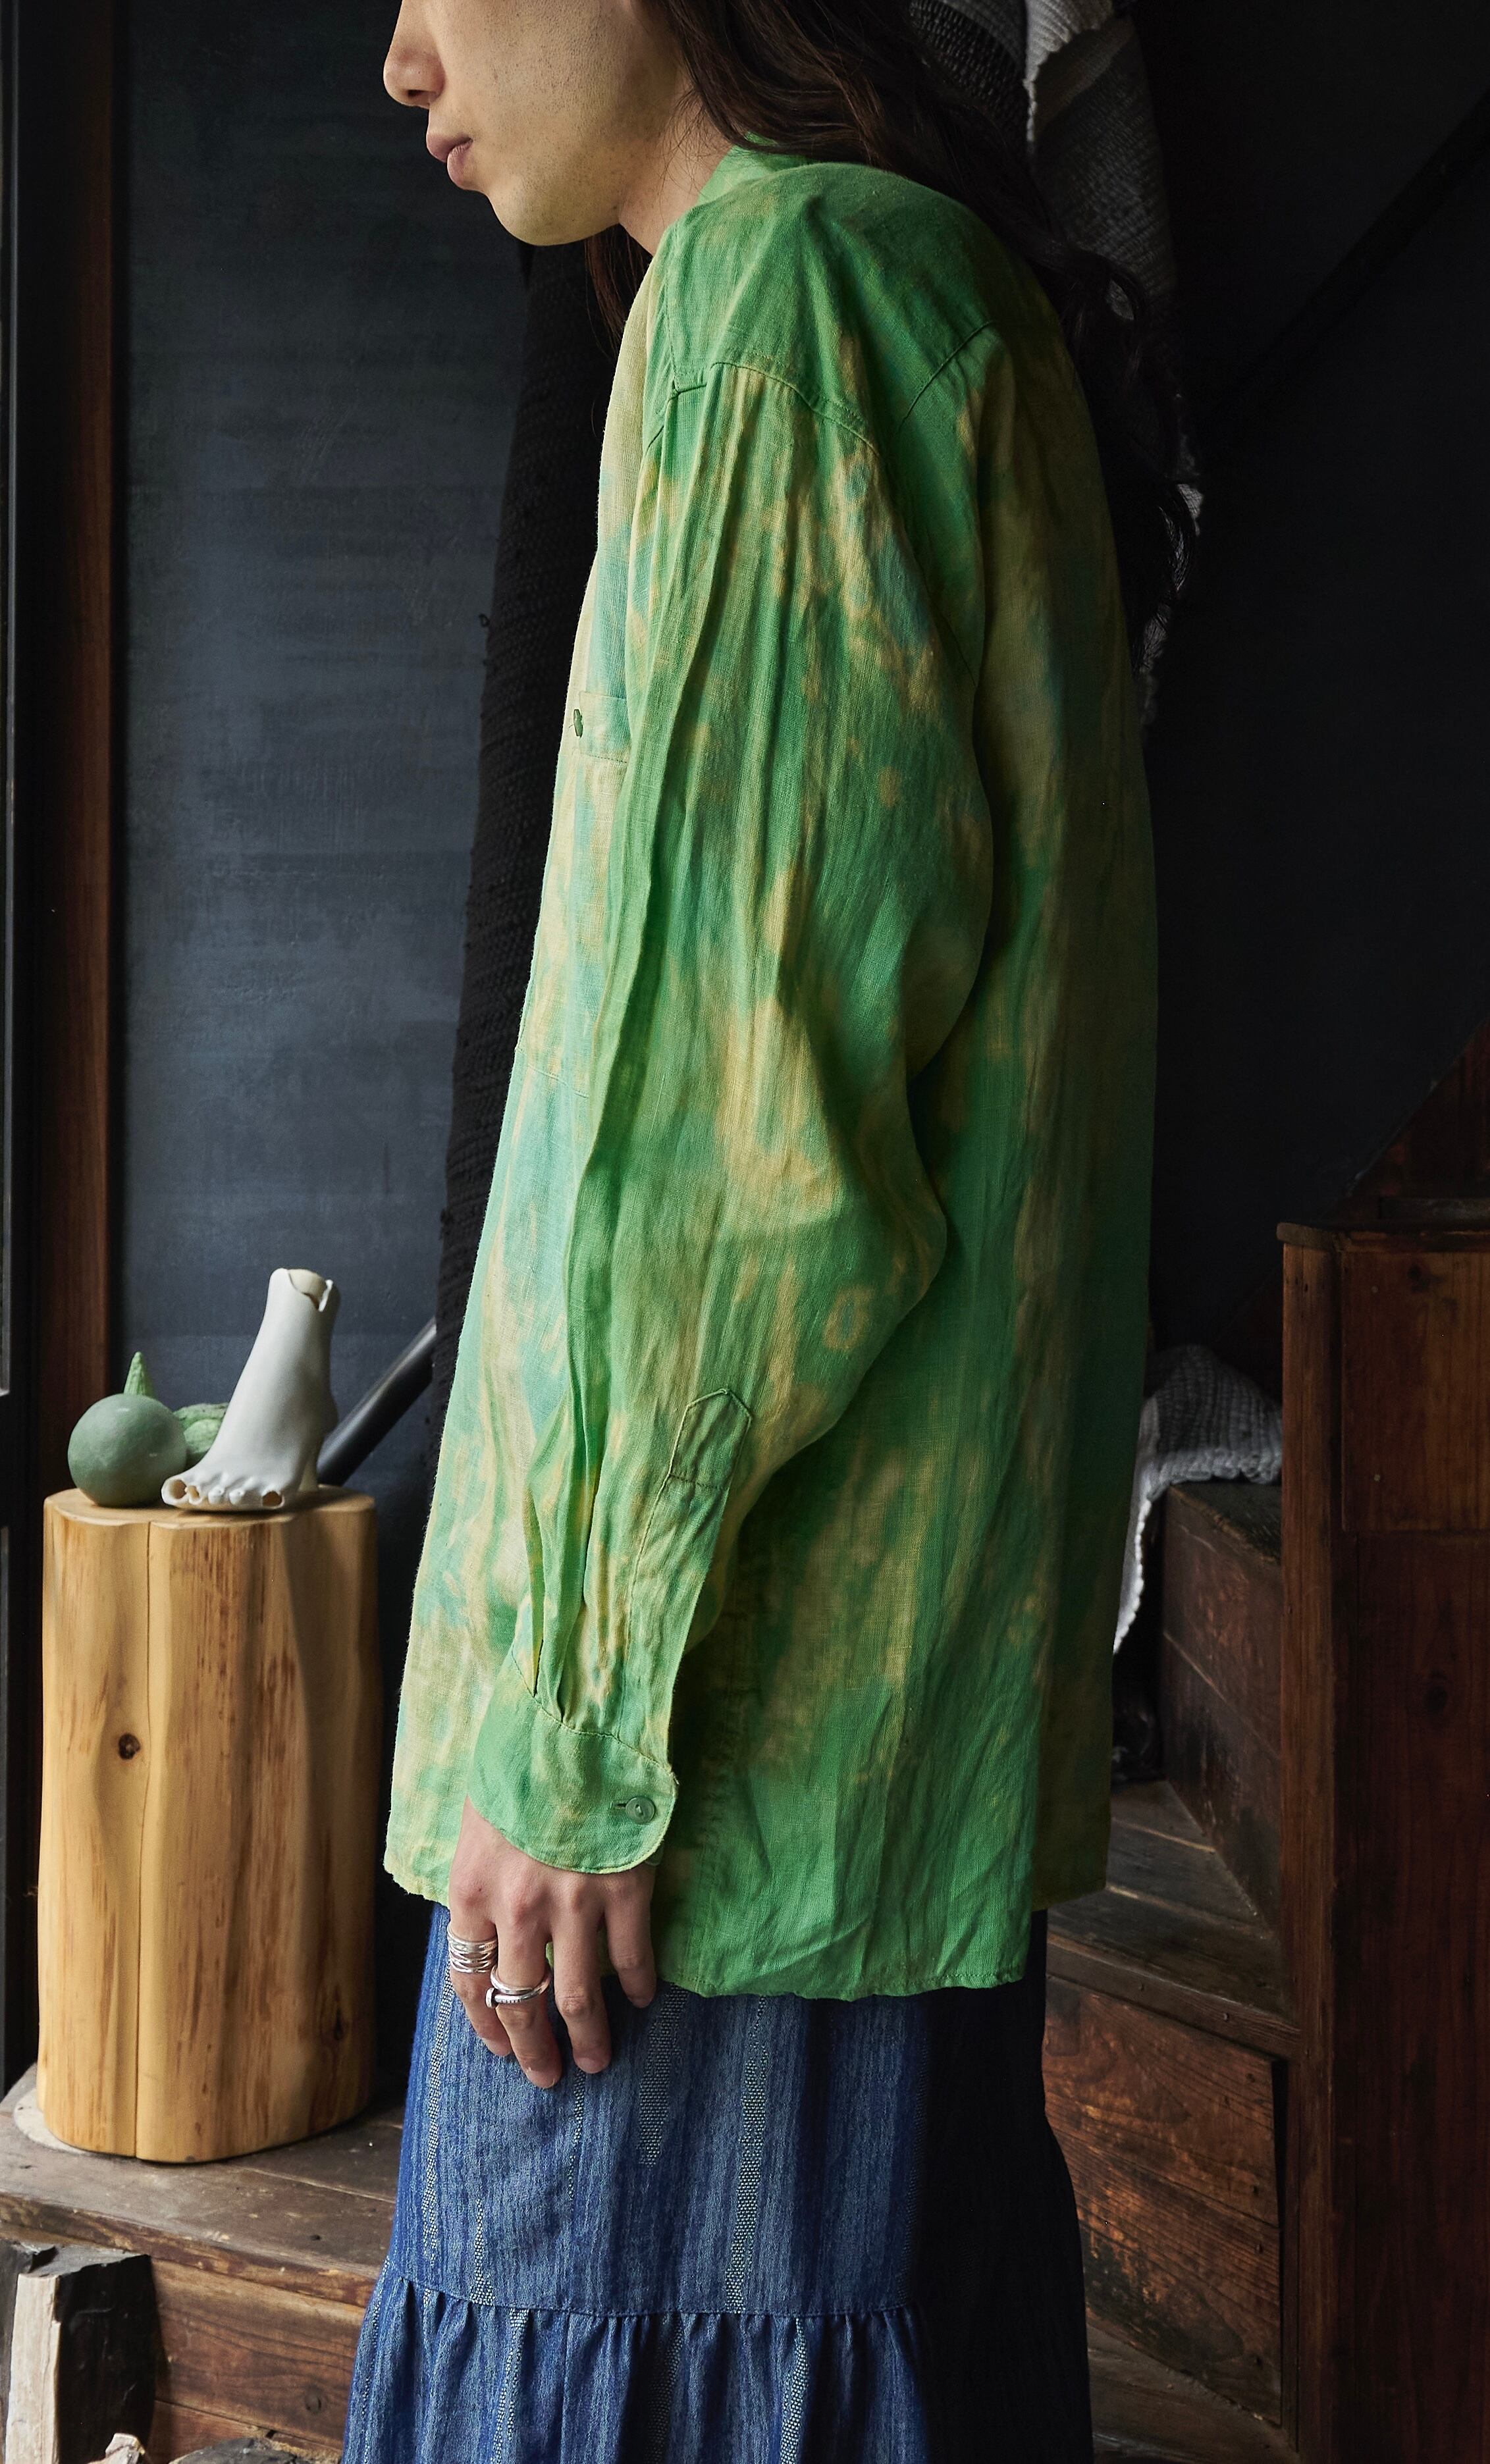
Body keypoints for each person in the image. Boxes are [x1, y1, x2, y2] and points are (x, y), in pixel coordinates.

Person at [346, 2, 1189, 2455]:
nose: (400, 58)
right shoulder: (907, 300)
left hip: (707, 1803)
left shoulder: (787, 309)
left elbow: (731, 1136)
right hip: (833, 1788)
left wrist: (574, 1726)